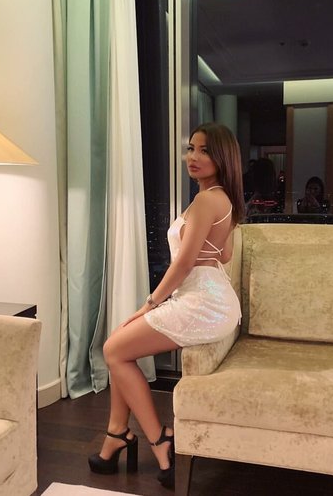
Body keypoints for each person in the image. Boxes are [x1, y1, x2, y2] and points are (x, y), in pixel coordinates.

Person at [88, 122, 244, 488]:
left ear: (222, 157)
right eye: (191, 148)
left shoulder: (206, 200)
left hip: (203, 301)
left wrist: (150, 304)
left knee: (113, 349)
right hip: (214, 298)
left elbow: (185, 263)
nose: (193, 157)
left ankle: (160, 441)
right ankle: (116, 434)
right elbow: (223, 254)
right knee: (120, 348)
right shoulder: (223, 199)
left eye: (204, 150)